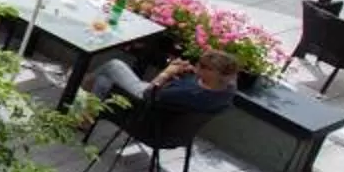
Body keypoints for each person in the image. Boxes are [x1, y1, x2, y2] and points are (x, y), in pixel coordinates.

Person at [87, 48, 238, 118]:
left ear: (216, 73)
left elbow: (147, 95)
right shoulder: (226, 90)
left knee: (114, 65)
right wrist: (183, 74)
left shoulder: (187, 93)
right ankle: (86, 115)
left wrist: (167, 72)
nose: (197, 67)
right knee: (103, 80)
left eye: (203, 67)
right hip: (172, 122)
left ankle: (80, 86)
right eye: (198, 63)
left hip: (145, 110)